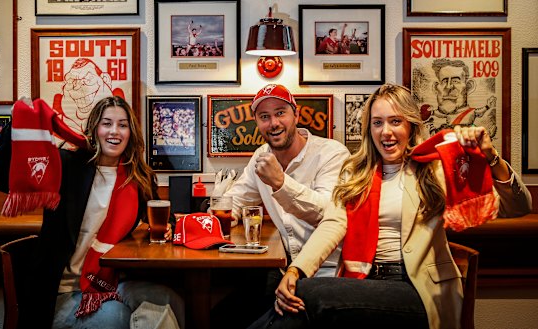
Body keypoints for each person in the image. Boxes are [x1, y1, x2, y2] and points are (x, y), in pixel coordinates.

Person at [251, 84, 532, 328]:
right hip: (365, 281)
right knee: (298, 299)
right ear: (369, 128)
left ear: (410, 125)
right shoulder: (355, 171)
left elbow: (517, 207)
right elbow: (334, 223)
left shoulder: (435, 168)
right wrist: (295, 270)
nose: (386, 132)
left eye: (395, 121)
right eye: (377, 122)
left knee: (310, 296)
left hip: (415, 289)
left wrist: (491, 156)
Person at [0, 96, 184, 329]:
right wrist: (16, 123)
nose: (115, 131)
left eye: (122, 125)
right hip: (61, 291)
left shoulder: (138, 177)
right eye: (106, 123)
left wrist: (168, 226)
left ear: (131, 133)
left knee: (171, 300)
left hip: (110, 281)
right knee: (116, 317)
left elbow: (159, 214)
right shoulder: (66, 165)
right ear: (94, 129)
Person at [212, 84, 350, 328]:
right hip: (286, 271)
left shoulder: (331, 153)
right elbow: (235, 202)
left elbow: (327, 215)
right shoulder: (261, 156)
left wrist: (280, 182)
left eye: (280, 113)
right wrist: (214, 215)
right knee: (220, 314)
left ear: (295, 115)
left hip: (331, 274)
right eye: (264, 117)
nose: (273, 123)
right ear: (257, 122)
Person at [423, 58, 497, 138]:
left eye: (455, 81)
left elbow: (480, 112)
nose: (449, 87)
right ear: (435, 87)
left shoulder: (471, 114)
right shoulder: (434, 123)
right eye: (444, 81)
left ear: (469, 86)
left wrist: (488, 106)